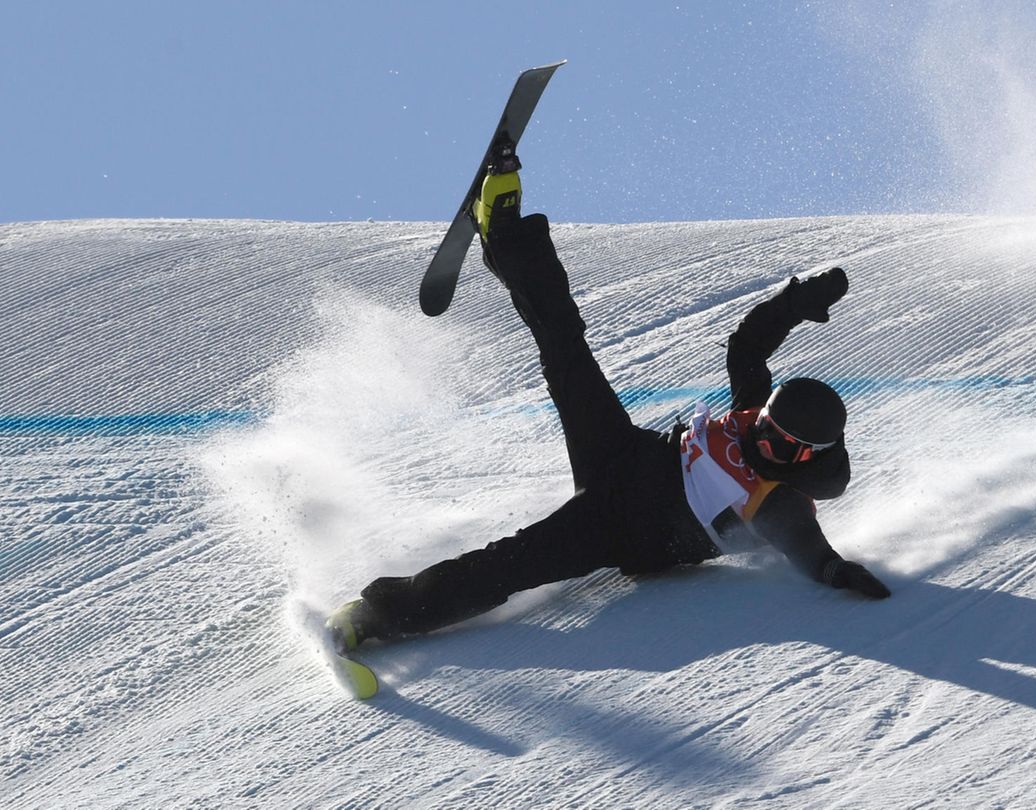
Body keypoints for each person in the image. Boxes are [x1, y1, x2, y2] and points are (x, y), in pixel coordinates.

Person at [328, 163, 890, 652]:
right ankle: (504, 230)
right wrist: (793, 304)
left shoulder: (781, 504)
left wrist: (838, 572)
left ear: (806, 457)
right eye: (763, 427)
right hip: (627, 453)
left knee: (508, 564)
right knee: (565, 350)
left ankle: (373, 617)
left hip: (622, 527)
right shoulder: (753, 422)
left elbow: (812, 553)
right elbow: (747, 347)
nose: (760, 441)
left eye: (777, 445)